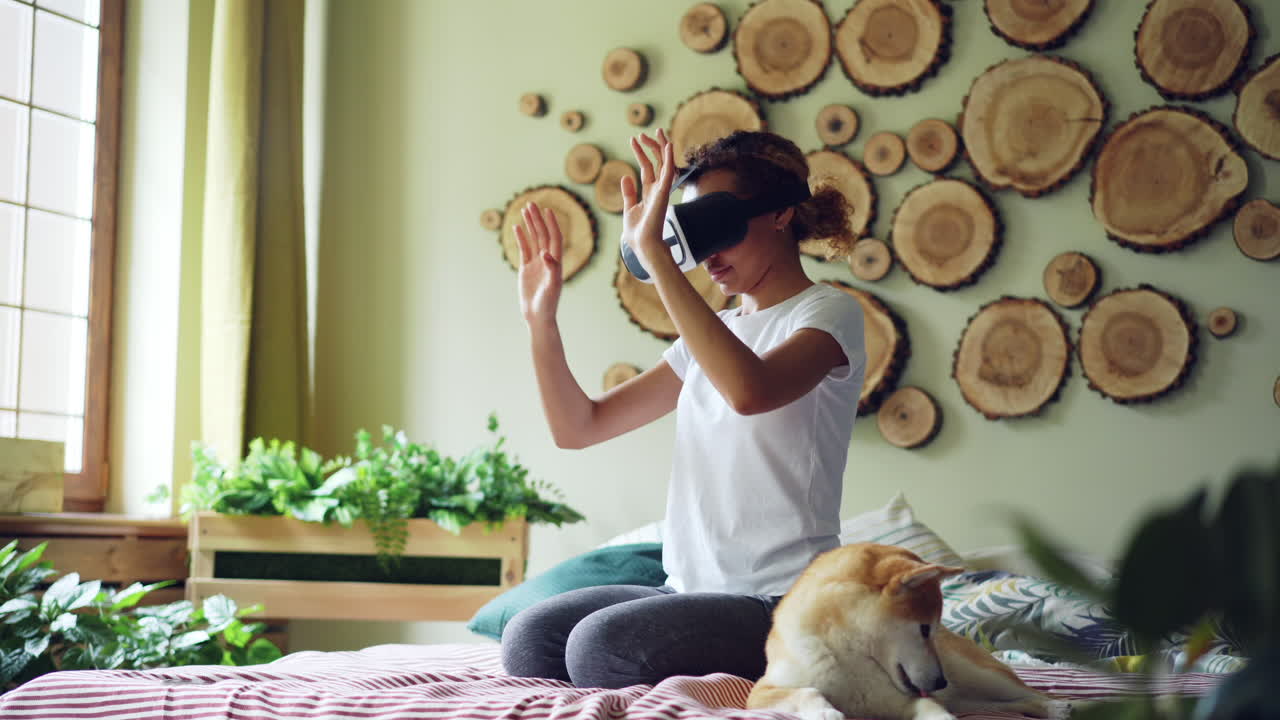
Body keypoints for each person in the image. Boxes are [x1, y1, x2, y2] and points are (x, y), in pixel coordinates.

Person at [501, 128, 867, 689]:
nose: (707, 255)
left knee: (598, 650)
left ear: (781, 213)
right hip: (686, 588)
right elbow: (579, 427)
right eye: (693, 233)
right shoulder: (714, 331)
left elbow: (750, 391)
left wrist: (656, 256)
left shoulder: (826, 313)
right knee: (530, 639)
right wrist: (540, 321)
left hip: (783, 601)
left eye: (718, 226)